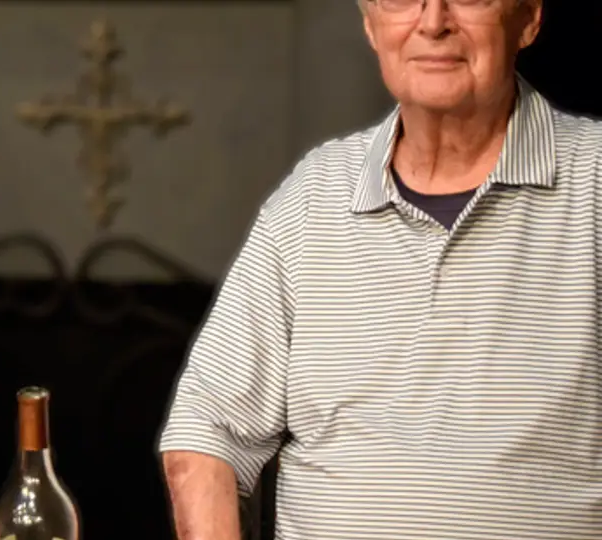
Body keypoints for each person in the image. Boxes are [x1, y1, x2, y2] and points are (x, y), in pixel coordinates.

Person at [159, 0, 602, 538]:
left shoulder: (595, 180)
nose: (433, 22)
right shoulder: (314, 195)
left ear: (528, 17)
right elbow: (208, 428)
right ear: (371, 24)